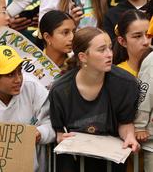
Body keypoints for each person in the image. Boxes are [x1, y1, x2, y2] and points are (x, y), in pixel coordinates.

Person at [49, 27, 140, 171]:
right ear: (82, 57)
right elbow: (59, 131)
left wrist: (130, 136)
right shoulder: (60, 90)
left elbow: (125, 123)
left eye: (110, 48)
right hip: (73, 160)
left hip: (110, 160)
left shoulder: (126, 84)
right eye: (102, 50)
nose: (109, 54)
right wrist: (60, 136)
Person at [0, 45, 55, 171]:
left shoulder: (32, 87)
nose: (18, 79)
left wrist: (41, 134)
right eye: (10, 74)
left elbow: (54, 122)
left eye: (19, 71)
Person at [112, 10, 150, 77]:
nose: (146, 42)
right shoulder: (118, 75)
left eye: (149, 35)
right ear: (122, 41)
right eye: (138, 36)